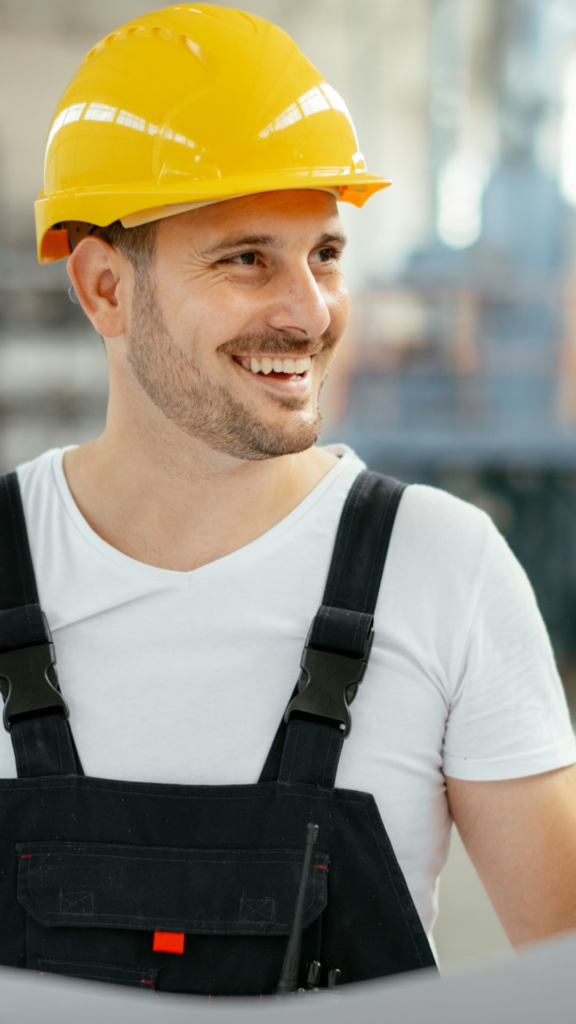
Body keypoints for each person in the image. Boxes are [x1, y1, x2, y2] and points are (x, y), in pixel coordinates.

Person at [1, 2, 576, 997]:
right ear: (103, 289)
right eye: (246, 258)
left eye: (326, 254)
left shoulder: (443, 571)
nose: (310, 312)